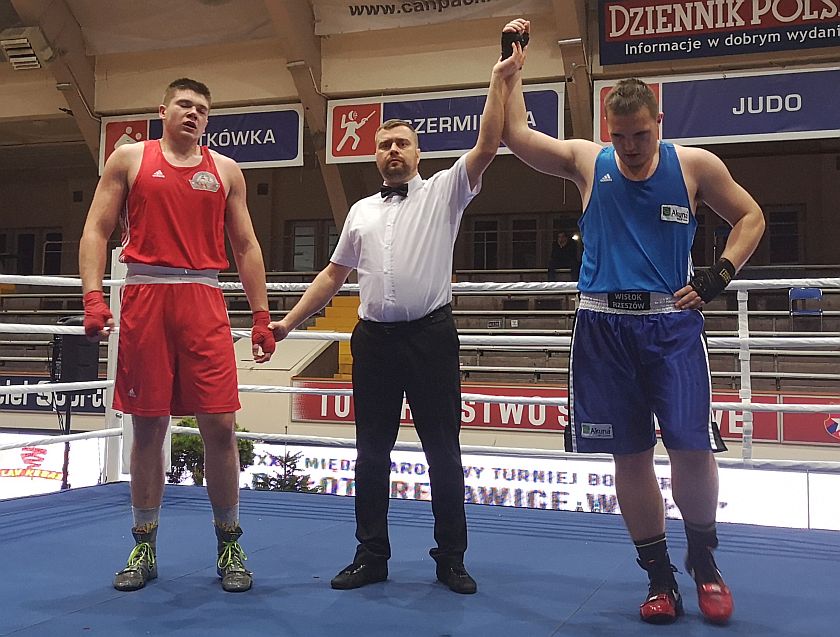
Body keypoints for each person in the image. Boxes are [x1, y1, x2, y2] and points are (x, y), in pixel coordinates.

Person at [500, 20, 765, 625]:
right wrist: (513, 68)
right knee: (629, 455)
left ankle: (705, 562)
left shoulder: (694, 165)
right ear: (607, 131)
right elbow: (516, 136)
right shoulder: (591, 162)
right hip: (601, 328)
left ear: (659, 124)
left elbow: (750, 216)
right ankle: (659, 578)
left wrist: (721, 274)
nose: (632, 147)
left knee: (691, 448)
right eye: (620, 137)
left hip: (671, 324)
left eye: (641, 135)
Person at [268, 45, 524, 595]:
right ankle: (371, 555)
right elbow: (333, 276)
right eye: (383, 144)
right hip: (375, 342)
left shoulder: (445, 193)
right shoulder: (360, 211)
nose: (392, 151)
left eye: (401, 143)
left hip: (431, 338)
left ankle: (451, 558)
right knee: (370, 452)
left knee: (443, 451)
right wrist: (287, 325)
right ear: (374, 156)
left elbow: (485, 145)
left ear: (417, 153)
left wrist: (500, 79)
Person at [79, 78, 276, 593]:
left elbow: (247, 245)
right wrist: (93, 295)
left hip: (204, 299)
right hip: (146, 295)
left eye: (203, 110)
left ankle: (229, 541)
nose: (194, 114)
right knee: (147, 427)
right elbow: (96, 230)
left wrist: (261, 314)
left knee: (221, 425)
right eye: (185, 105)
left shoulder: (227, 171)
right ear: (162, 109)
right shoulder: (129, 160)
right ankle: (143, 543)